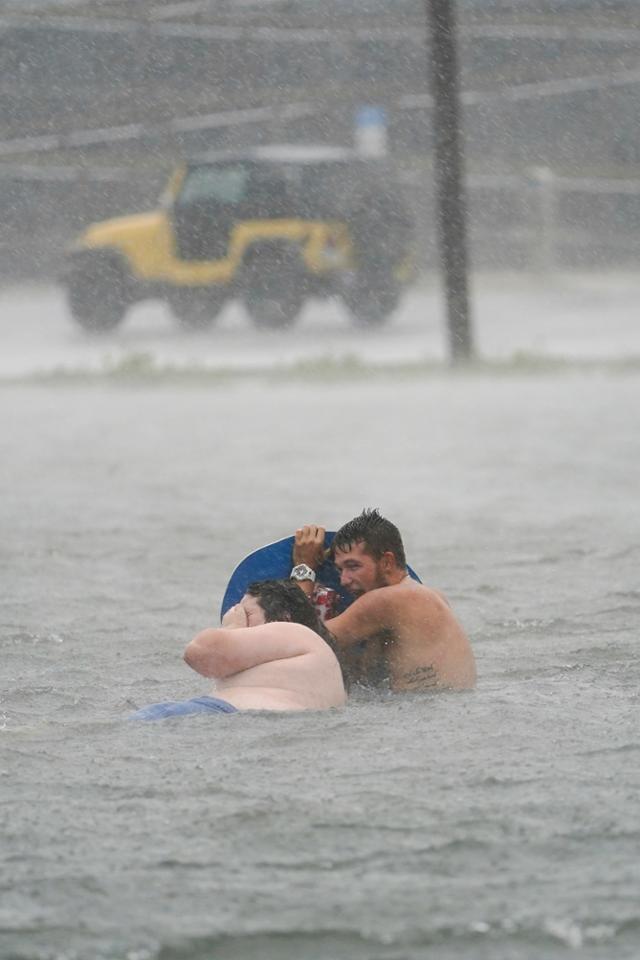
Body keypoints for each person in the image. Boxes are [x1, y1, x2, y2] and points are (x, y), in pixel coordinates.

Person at [290, 509, 476, 693]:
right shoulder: (432, 596)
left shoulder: (384, 600)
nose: (343, 580)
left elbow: (296, 641)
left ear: (387, 562)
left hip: (415, 713)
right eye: (340, 570)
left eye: (353, 566)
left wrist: (304, 568)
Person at [129, 579, 346, 720]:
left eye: (246, 613)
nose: (238, 617)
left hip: (221, 714)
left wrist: (233, 627)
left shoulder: (294, 632)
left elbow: (199, 653)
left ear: (283, 618)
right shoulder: (318, 664)